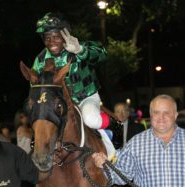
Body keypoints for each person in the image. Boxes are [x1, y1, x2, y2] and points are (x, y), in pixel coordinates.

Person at [32, 12, 122, 158]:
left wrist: (81, 50)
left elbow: (103, 54)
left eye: (55, 36)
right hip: (59, 105)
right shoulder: (40, 60)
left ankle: (113, 127)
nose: (51, 41)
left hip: (85, 98)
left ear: (64, 35)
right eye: (47, 38)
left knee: (90, 119)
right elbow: (35, 86)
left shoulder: (77, 47)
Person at [113, 102, 145, 187]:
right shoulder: (109, 129)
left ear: (127, 113)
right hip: (118, 170)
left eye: (122, 111)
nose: (120, 114)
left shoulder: (138, 128)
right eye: (117, 111)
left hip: (137, 169)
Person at [14, 110, 40, 187]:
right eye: (23, 117)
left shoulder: (28, 128)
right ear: (19, 119)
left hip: (29, 159)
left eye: (26, 116)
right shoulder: (21, 129)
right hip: (23, 159)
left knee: (29, 185)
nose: (26, 118)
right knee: (23, 186)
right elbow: (32, 136)